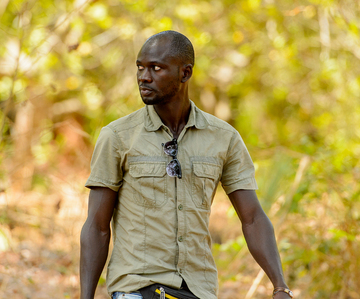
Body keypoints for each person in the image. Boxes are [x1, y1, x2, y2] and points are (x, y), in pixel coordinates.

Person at [80, 30, 292, 299]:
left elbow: (252, 218)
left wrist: (280, 286)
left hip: (198, 290)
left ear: (185, 73)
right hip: (137, 287)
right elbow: (96, 226)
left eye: (156, 68)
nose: (144, 77)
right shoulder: (118, 136)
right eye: (140, 67)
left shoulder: (223, 138)